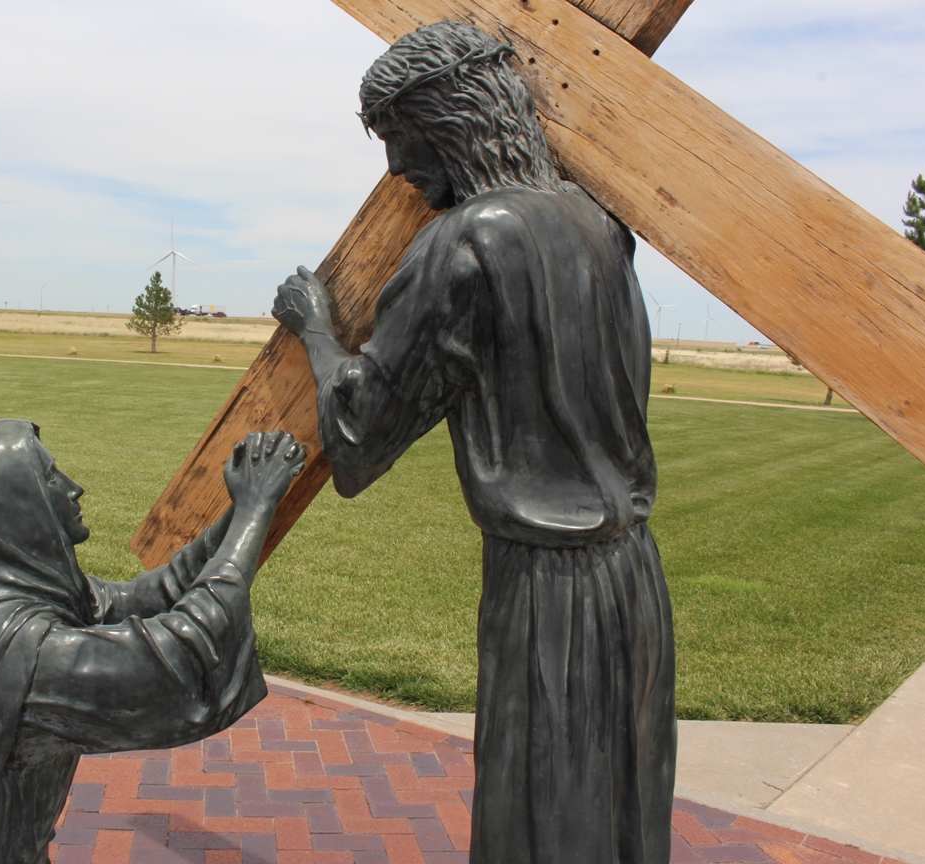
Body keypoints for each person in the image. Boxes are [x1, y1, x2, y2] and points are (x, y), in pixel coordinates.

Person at [272, 21, 675, 864]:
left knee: (540, 812)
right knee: (623, 808)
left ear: (449, 119)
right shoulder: (601, 228)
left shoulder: (465, 244)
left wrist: (314, 329)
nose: (394, 169)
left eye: (398, 135)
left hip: (548, 585)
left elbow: (361, 430)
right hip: (634, 575)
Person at [0, 420, 306, 864]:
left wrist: (240, 509)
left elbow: (144, 598)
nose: (74, 488)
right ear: (8, 509)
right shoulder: (17, 651)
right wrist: (255, 512)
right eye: (50, 477)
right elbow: (182, 661)